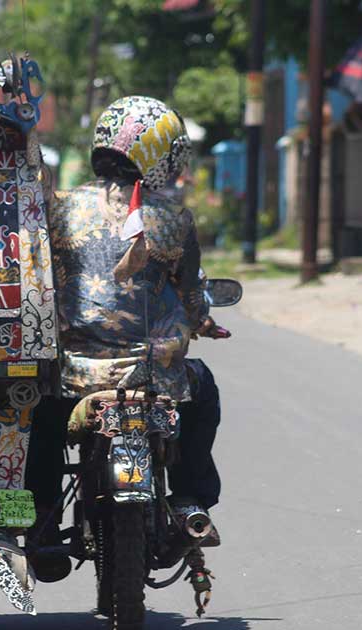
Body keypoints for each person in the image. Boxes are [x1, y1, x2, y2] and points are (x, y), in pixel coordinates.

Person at [26, 96, 224, 555]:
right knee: (204, 388)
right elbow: (192, 296)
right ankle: (191, 498)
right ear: (164, 156)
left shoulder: (60, 209)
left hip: (73, 376)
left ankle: (42, 518)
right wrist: (202, 321)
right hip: (154, 378)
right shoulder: (174, 219)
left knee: (38, 412)